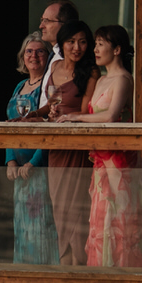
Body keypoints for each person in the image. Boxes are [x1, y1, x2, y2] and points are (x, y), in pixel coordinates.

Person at [70, 24, 142, 268]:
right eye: (97, 44)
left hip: (119, 160)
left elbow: (111, 116)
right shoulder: (100, 79)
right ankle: (102, 281)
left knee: (119, 219)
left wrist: (76, 117)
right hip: (101, 158)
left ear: (118, 49)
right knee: (99, 220)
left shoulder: (123, 79)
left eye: (101, 44)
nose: (96, 49)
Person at [26, 19, 95, 267]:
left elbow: (87, 108)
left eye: (83, 42)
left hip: (77, 145)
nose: (77, 47)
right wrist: (37, 114)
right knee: (60, 210)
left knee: (77, 212)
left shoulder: (91, 72)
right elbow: (52, 105)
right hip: (57, 145)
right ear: (62, 45)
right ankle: (65, 279)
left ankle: (79, 280)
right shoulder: (54, 70)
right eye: (71, 42)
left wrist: (67, 116)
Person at [5, 33, 59, 266]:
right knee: (23, 225)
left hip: (38, 167)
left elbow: (50, 130)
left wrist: (33, 162)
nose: (33, 55)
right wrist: (10, 161)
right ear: (22, 57)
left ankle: (42, 278)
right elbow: (9, 128)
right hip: (19, 171)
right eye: (29, 51)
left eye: (40, 51)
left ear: (48, 57)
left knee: (41, 224)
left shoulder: (48, 88)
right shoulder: (19, 86)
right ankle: (23, 276)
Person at [34, 0, 80, 107]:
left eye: (47, 21)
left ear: (65, 25)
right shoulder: (54, 55)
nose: (41, 26)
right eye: (42, 20)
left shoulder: (71, 58)